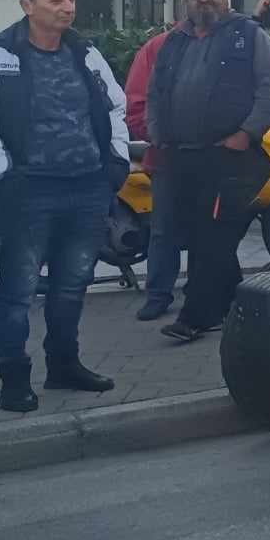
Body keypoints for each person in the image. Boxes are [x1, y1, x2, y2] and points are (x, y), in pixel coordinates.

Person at [0, 0, 131, 413]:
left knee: (72, 285)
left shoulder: (85, 53)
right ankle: (13, 378)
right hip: (27, 194)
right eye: (56, 1)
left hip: (86, 189)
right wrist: (3, 176)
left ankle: (63, 365)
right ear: (27, 4)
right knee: (18, 288)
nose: (67, 8)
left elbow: (115, 109)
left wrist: (116, 164)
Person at [147, 0, 270, 344]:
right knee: (198, 234)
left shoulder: (249, 35)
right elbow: (156, 93)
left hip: (230, 156)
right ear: (185, 0)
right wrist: (158, 135)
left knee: (212, 236)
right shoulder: (173, 41)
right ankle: (236, 308)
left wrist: (245, 134)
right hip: (180, 156)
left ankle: (195, 316)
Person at [123, 28, 181, 321]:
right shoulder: (158, 47)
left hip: (216, 155)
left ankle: (206, 294)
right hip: (168, 154)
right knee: (163, 228)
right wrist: (157, 136)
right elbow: (136, 102)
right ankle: (158, 293)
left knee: (212, 230)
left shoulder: (231, 41)